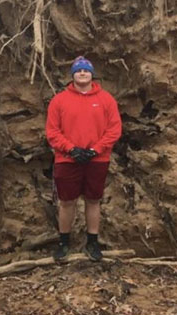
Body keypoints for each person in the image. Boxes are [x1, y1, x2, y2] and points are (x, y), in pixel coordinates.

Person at [45, 56, 122, 262]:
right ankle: (63, 243)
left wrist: (95, 150)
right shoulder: (59, 100)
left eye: (86, 70)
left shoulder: (106, 100)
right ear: (73, 75)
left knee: (93, 200)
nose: (82, 73)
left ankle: (93, 242)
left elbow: (114, 130)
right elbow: (52, 132)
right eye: (78, 70)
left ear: (91, 74)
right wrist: (71, 150)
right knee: (67, 202)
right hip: (67, 159)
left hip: (97, 159)